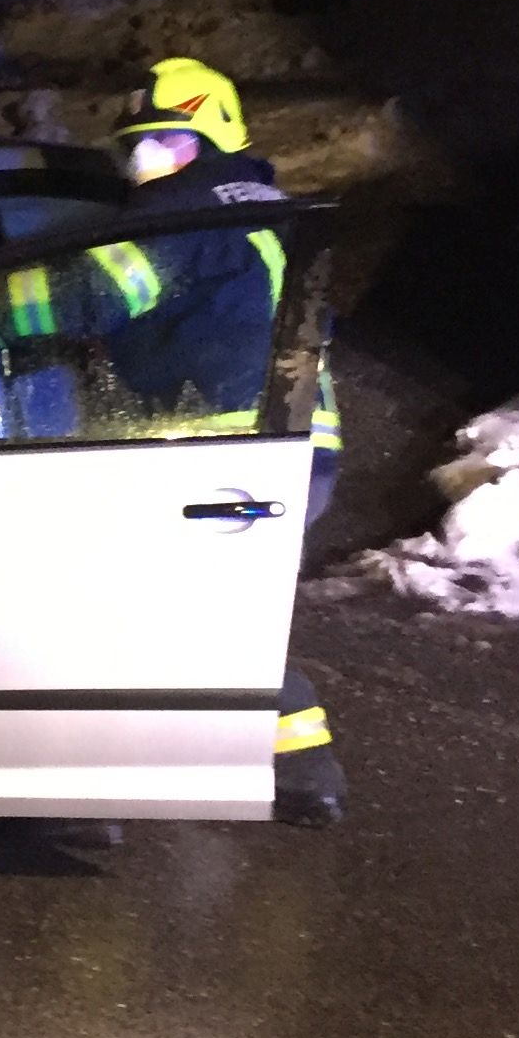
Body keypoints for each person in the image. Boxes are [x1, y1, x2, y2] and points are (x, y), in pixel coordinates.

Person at [108, 56, 346, 828]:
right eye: (138, 151)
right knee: (215, 608)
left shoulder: (187, 213)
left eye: (164, 146)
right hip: (293, 444)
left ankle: (304, 772)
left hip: (240, 448)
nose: (148, 167)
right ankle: (283, 766)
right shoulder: (264, 204)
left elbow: (96, 293)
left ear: (207, 139)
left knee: (200, 611)